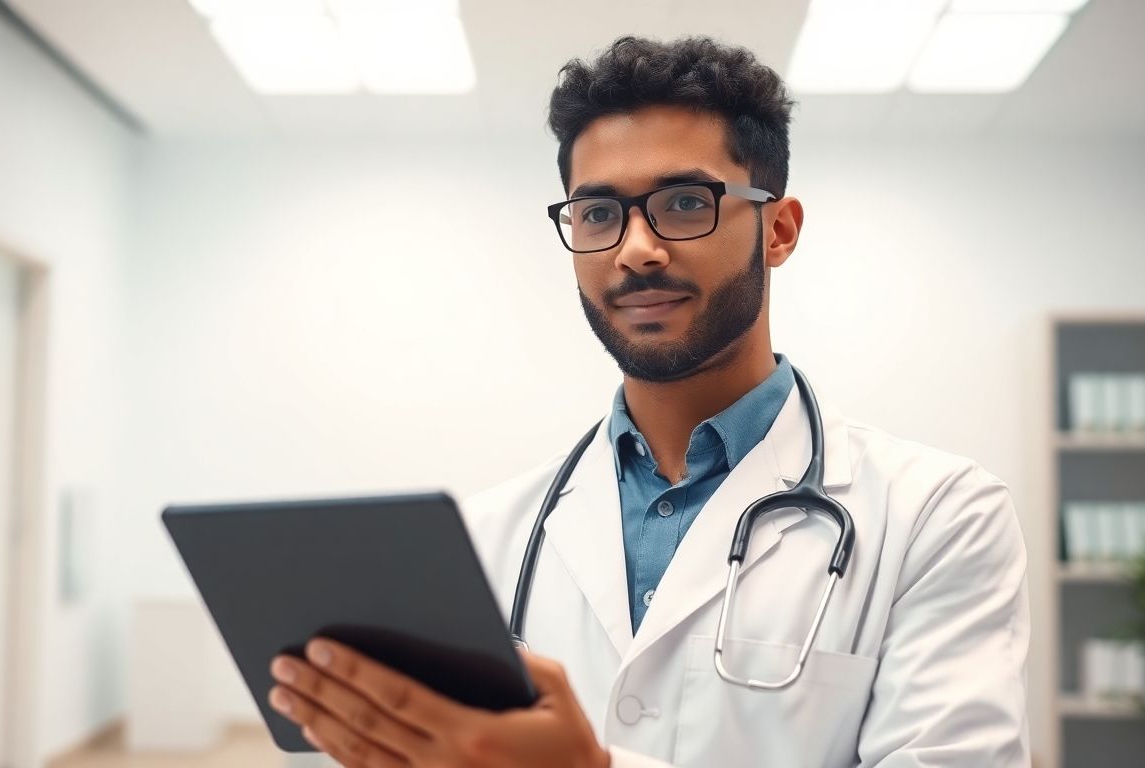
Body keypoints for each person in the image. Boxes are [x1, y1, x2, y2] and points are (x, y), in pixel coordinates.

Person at [266, 35, 1030, 767]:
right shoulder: (490, 536)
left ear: (779, 230)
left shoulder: (938, 515)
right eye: (598, 214)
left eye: (685, 203)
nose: (636, 249)